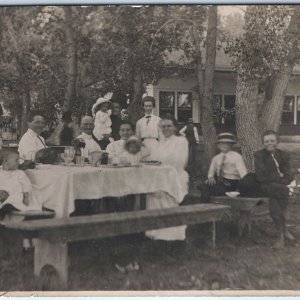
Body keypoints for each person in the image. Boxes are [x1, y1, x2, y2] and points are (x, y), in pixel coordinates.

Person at [146, 115, 189, 241]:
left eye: (169, 126)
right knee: (152, 195)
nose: (166, 129)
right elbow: (152, 160)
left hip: (175, 177)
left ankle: (172, 236)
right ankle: (154, 234)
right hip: (160, 178)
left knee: (165, 196)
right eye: (163, 126)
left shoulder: (181, 141)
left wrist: (160, 163)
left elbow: (179, 162)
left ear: (175, 127)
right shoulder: (159, 144)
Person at [254, 130, 294, 248]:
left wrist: (279, 178)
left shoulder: (283, 155)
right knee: (281, 190)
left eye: (272, 141)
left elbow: (289, 175)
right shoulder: (259, 155)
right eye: (266, 141)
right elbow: (261, 176)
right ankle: (283, 231)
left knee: (276, 197)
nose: (269, 143)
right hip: (265, 186)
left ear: (277, 142)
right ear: (263, 143)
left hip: (278, 188)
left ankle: (280, 235)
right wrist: (279, 177)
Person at [0, 149, 35, 220]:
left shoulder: (19, 173)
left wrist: (26, 197)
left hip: (15, 197)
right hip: (2, 197)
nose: (18, 163)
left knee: (9, 204)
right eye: (16, 160)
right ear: (5, 161)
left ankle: (2, 215)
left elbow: (26, 185)